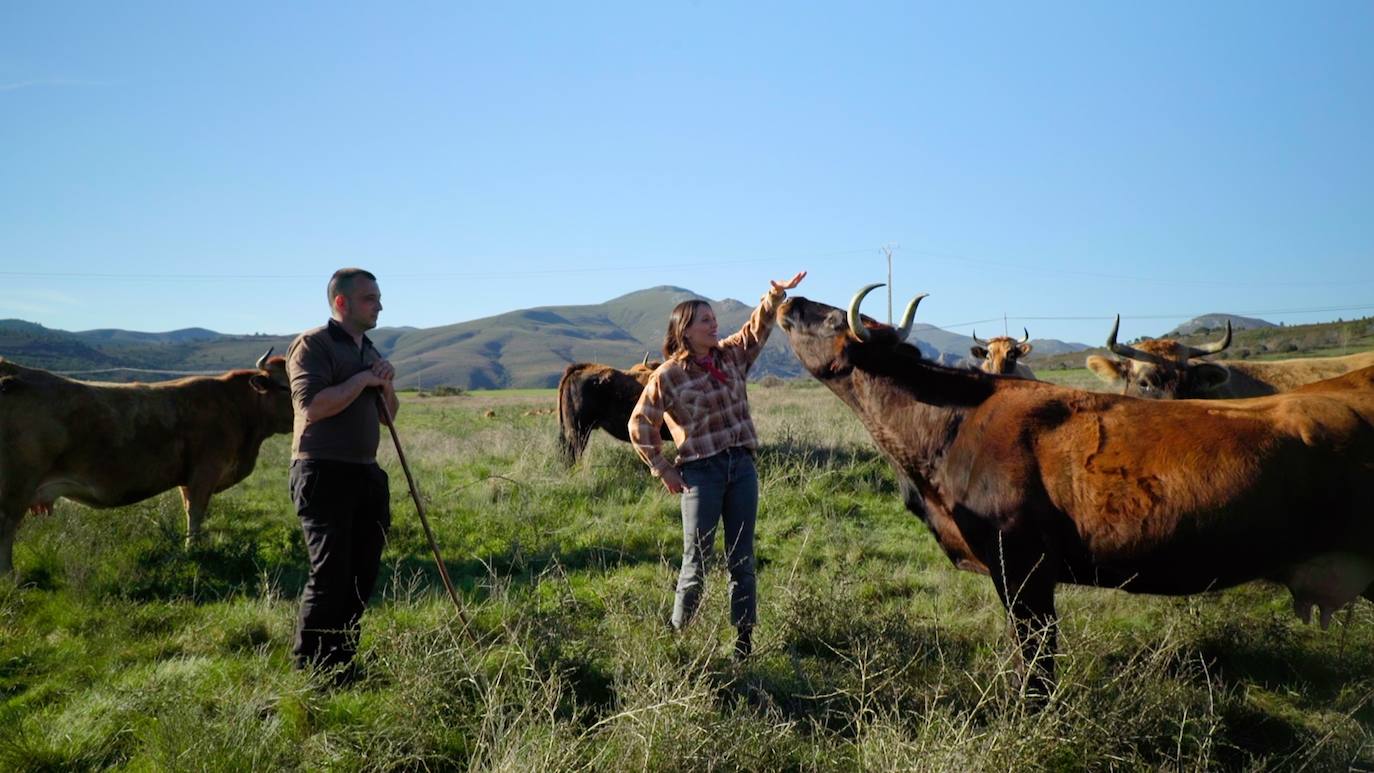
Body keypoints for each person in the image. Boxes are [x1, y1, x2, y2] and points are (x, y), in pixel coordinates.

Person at [628, 271, 806, 659]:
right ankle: (677, 643)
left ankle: (743, 645)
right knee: (697, 560)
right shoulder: (669, 375)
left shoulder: (729, 356)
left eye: (713, 318)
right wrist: (663, 468)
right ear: (685, 331)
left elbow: (755, 331)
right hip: (700, 475)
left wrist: (774, 297)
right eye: (705, 320)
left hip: (741, 468)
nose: (714, 325)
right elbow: (640, 423)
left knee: (742, 558)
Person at [286, 267, 400, 682]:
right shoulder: (312, 346)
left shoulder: (369, 350)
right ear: (342, 302)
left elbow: (388, 418)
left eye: (378, 297)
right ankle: (308, 672)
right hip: (322, 471)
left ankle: (342, 663)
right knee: (330, 574)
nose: (380, 305)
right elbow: (311, 406)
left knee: (361, 574)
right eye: (371, 298)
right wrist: (363, 379)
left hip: (365, 473)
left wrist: (384, 385)